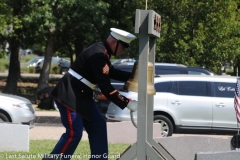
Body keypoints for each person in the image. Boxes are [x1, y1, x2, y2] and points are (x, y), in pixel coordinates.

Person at [43, 28, 138, 160]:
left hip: (82, 96)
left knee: (98, 125)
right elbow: (106, 87)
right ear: (114, 42)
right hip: (69, 95)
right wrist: (126, 102)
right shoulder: (99, 54)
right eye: (124, 45)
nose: (125, 49)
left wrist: (134, 76)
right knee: (74, 134)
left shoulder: (101, 52)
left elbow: (112, 72)